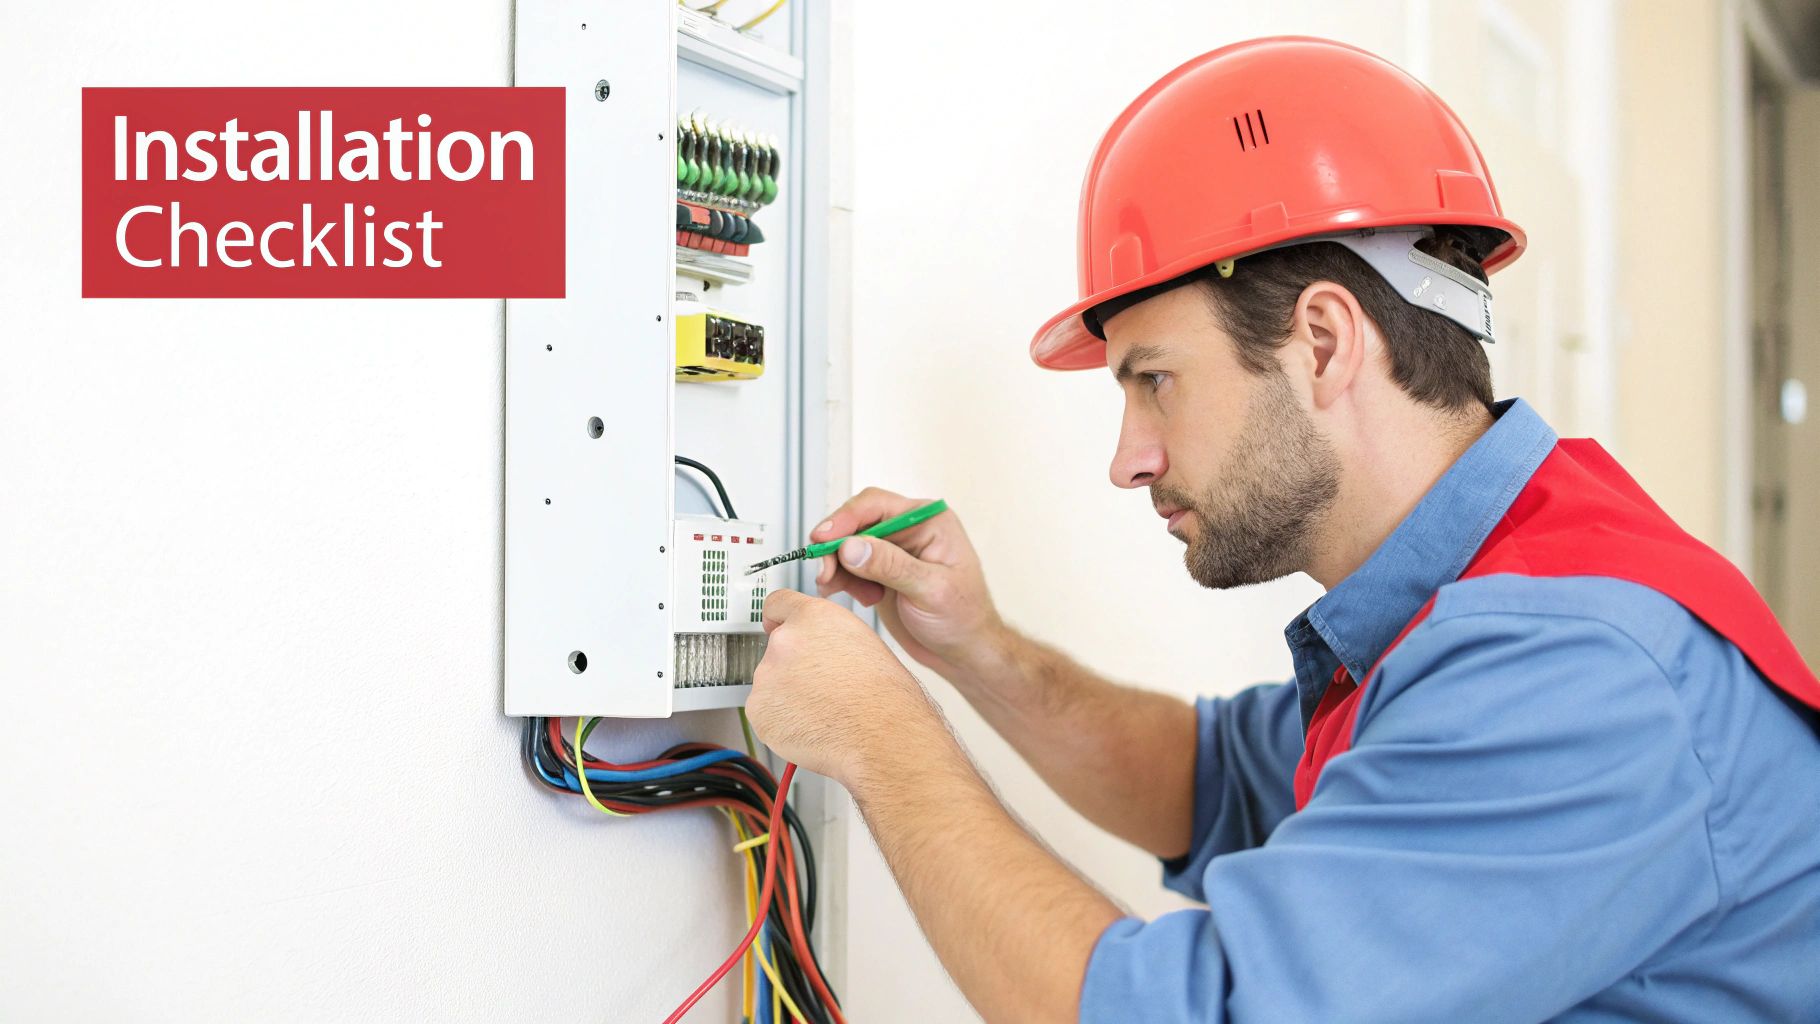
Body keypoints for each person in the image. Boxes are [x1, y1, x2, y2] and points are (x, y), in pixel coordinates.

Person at [745, 36, 1820, 1023]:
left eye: (1155, 381)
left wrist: (879, 739)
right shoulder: (1472, 593)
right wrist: (977, 648)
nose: (1128, 458)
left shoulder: (1567, 672)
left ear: (1322, 342)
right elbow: (1209, 782)